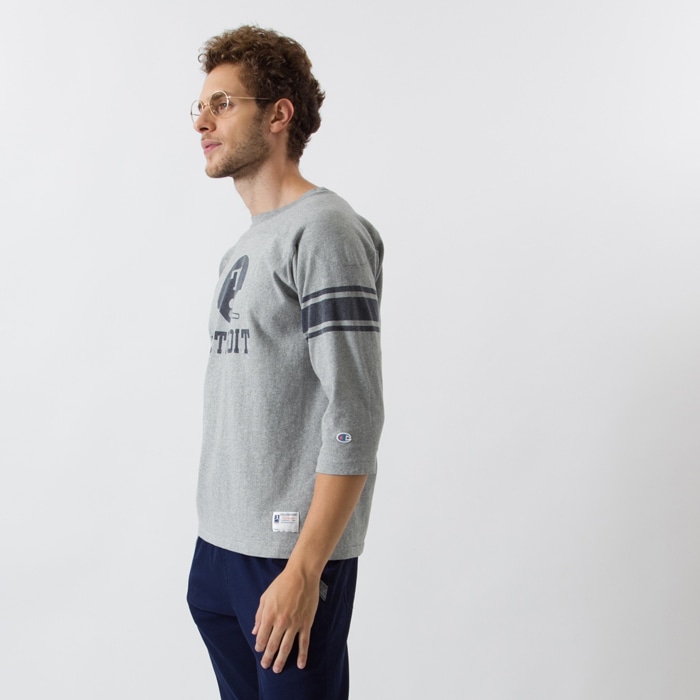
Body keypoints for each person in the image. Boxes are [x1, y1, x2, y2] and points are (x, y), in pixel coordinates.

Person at [185, 25, 384, 700]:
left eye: (222, 104)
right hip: (220, 550)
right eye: (199, 108)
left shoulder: (325, 231)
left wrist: (305, 568)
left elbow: (356, 412)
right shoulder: (244, 246)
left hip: (286, 558)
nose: (202, 122)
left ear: (278, 114)